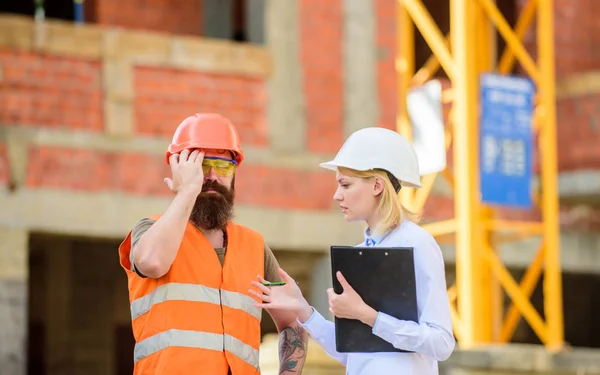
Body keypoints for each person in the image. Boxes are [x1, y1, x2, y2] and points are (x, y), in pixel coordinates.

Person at [250, 127, 455, 374]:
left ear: (377, 185)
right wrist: (302, 308)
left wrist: (369, 316)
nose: (337, 195)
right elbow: (352, 354)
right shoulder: (360, 253)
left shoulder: (417, 243)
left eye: (345, 185)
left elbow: (442, 343)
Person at [118, 113, 308, 375]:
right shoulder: (150, 230)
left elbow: (293, 322)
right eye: (201, 165)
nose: (212, 176)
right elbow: (152, 262)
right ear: (178, 168)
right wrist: (187, 191)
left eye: (223, 166)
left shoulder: (254, 246)